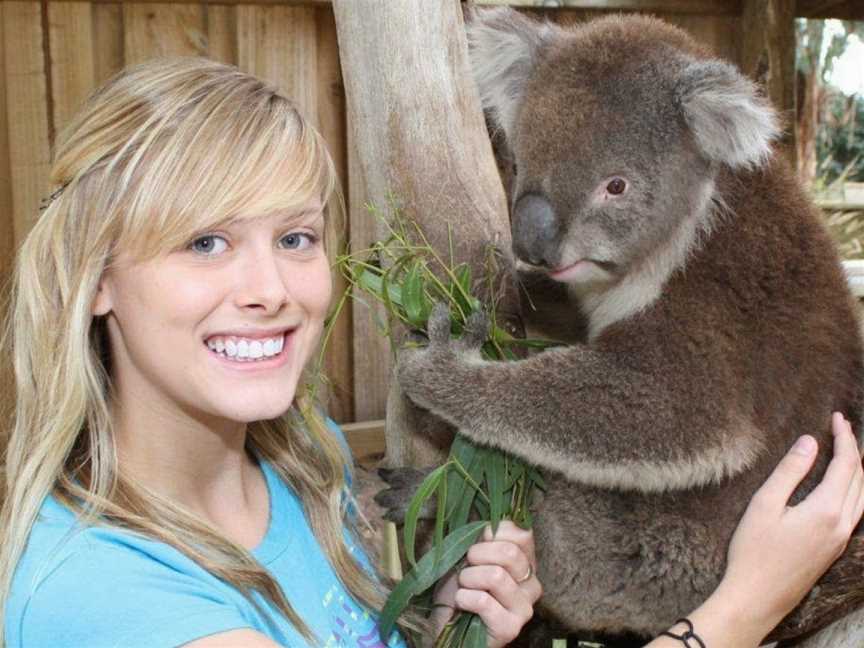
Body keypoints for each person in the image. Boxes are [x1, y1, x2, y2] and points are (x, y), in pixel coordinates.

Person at [0, 57, 860, 648]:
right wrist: (743, 608)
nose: (268, 288)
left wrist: (435, 619)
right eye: (204, 244)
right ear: (96, 277)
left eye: (296, 237)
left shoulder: (306, 468)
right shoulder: (106, 600)